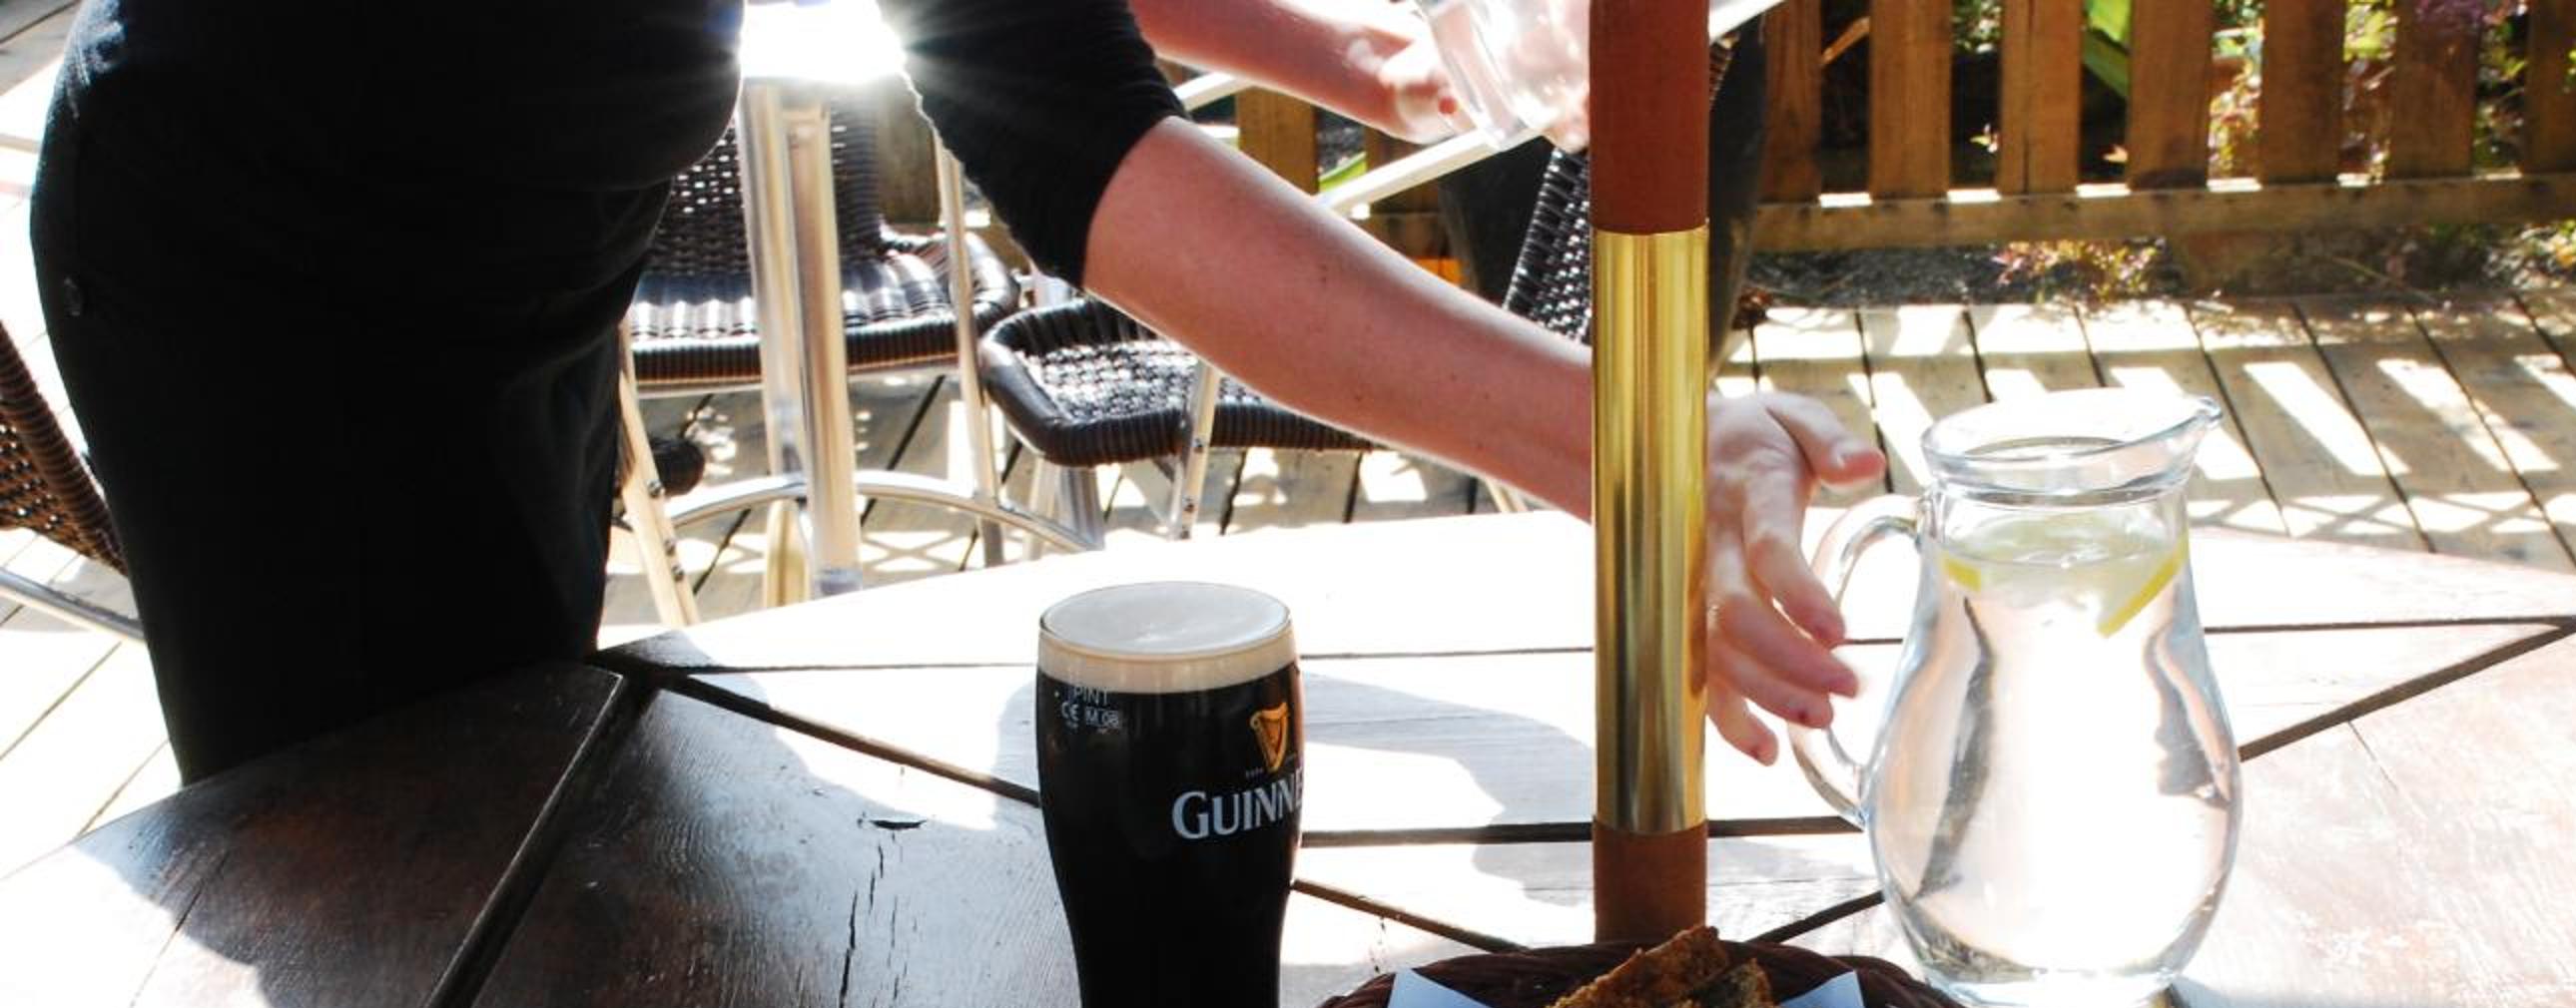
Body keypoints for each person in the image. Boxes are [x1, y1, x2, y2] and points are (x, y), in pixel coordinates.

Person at [34, 0, 1879, 781]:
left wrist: (1375, 58)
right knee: (383, 869)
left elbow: (1025, 31)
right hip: (261, 273)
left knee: (517, 774)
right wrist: (1647, 447)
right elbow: (1091, 170)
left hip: (519, 258)